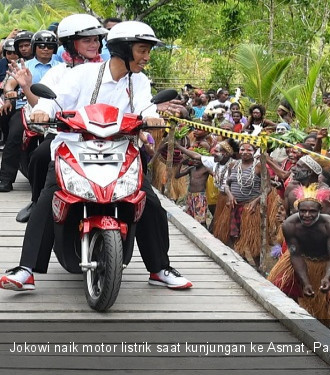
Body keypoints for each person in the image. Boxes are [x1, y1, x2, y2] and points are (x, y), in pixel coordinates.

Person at [0, 21, 192, 291]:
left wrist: (152, 117)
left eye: (148, 51)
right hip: (76, 148)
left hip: (120, 150)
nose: (147, 57)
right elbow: (54, 100)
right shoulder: (83, 74)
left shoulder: (138, 80)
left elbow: (147, 106)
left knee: (150, 203)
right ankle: (26, 269)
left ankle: (159, 267)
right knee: (48, 197)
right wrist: (42, 111)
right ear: (124, 49)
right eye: (142, 50)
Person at [13, 14, 108, 222]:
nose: (94, 44)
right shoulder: (58, 73)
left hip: (106, 136)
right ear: (71, 44)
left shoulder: (108, 71)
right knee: (39, 157)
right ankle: (38, 202)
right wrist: (27, 87)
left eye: (96, 40)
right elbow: (42, 105)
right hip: (66, 135)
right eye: (87, 40)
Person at [268, 184, 330, 339]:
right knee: (281, 288)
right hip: (301, 258)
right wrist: (306, 282)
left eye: (312, 211)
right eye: (303, 211)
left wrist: (327, 277)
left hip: (329, 261)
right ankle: (291, 323)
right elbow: (295, 255)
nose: (307, 215)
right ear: (296, 210)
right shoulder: (289, 225)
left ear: (320, 211)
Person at [0, 30, 60, 193]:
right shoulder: (24, 65)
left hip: (56, 110)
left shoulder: (61, 66)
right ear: (35, 47)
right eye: (41, 46)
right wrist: (9, 91)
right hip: (26, 108)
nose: (45, 49)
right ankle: (5, 179)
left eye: (49, 46)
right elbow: (10, 83)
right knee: (15, 134)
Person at [176, 155, 210, 227]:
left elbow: (215, 175)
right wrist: (180, 163)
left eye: (198, 160)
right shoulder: (191, 169)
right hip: (190, 196)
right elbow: (177, 175)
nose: (195, 161)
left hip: (200, 196)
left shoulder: (206, 169)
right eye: (194, 159)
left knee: (201, 218)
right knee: (190, 217)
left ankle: (203, 232)